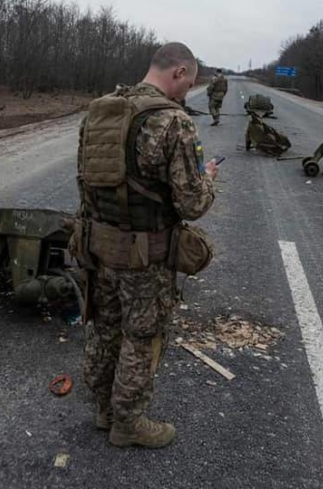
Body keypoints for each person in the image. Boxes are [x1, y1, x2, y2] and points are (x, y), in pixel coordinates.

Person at [72, 42, 220, 449]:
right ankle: (128, 424)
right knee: (142, 336)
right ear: (178, 73)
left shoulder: (100, 110)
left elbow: (84, 183)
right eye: (188, 82)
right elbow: (192, 203)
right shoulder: (173, 122)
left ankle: (103, 409)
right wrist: (208, 179)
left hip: (98, 246)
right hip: (145, 256)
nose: (187, 91)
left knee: (104, 328)